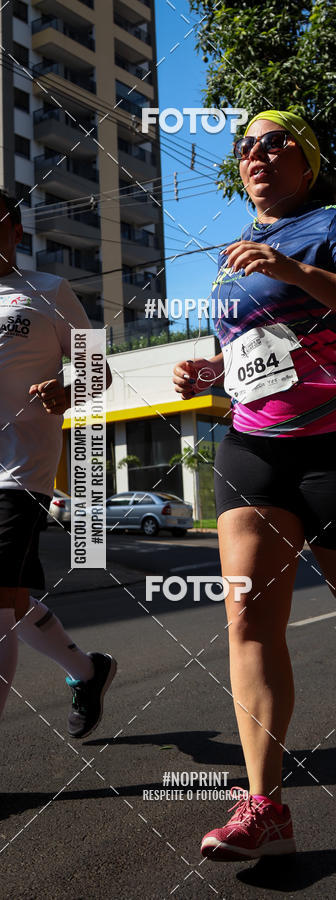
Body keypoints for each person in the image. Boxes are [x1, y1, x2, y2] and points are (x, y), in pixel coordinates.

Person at [173, 110, 336, 861]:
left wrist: (292, 271)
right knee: (247, 621)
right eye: (246, 144)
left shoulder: (328, 224)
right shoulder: (228, 258)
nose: (257, 153)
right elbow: (262, 355)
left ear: (306, 162)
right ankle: (264, 806)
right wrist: (211, 374)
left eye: (276, 141)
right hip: (253, 449)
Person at [0, 189, 116, 738]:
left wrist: (69, 391)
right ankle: (88, 671)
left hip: (18, 474)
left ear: (16, 232)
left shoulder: (48, 291)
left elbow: (101, 372)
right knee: (13, 601)